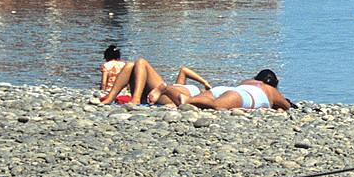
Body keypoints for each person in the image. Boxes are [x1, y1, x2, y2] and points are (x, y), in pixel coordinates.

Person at [98, 59, 292, 110]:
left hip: (220, 90)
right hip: (237, 97)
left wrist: (205, 83)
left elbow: (183, 70)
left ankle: (110, 97)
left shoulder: (247, 82)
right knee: (215, 105)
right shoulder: (270, 91)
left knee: (136, 64)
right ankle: (135, 99)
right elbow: (285, 106)